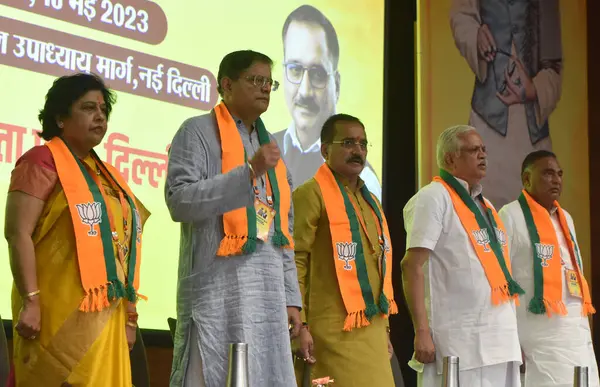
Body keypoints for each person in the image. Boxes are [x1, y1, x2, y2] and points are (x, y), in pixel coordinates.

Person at [165, 50, 302, 387]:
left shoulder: (270, 146)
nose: (265, 88)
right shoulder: (196, 131)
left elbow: (282, 230)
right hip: (217, 292)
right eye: (256, 80)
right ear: (226, 84)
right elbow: (179, 201)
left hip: (267, 298)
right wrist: (249, 172)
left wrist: (292, 299)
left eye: (269, 82)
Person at [5, 73, 150, 386]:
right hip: (55, 314)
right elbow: (17, 234)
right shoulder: (40, 161)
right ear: (60, 117)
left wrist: (129, 315)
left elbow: (122, 247)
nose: (99, 116)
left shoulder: (107, 176)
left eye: (103, 110)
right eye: (88, 108)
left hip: (104, 319)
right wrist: (31, 301)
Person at [401, 125, 523, 386]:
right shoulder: (433, 198)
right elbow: (412, 266)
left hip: (500, 340)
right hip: (458, 341)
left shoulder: (487, 207)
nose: (483, 156)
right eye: (474, 150)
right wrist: (421, 331)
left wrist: (514, 335)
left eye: (484, 150)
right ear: (449, 159)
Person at [292, 114, 397, 387]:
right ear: (325, 150)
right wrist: (299, 326)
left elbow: (378, 270)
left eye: (363, 144)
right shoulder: (310, 194)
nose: (358, 151)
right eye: (348, 142)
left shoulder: (372, 201)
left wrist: (384, 329)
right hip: (329, 333)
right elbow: (294, 262)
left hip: (372, 332)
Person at [498, 150, 599, 387]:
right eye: (547, 173)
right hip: (539, 333)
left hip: (576, 329)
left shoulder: (566, 218)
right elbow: (503, 279)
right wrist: (511, 340)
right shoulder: (510, 215)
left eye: (559, 174)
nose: (556, 180)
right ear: (526, 179)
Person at [450, 0, 562, 208]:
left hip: (532, 131)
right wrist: (476, 36)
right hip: (488, 120)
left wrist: (534, 89)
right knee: (482, 211)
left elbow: (554, 64)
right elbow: (461, 16)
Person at [273, 5, 382, 200]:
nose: (305, 91)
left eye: (317, 74)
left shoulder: (362, 177)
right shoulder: (265, 150)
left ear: (337, 85)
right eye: (295, 70)